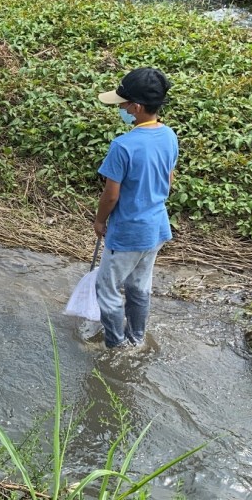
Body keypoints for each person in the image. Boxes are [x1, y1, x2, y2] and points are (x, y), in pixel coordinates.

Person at [93, 67, 179, 348]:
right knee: (139, 286)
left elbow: (111, 195)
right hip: (155, 228)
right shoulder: (169, 136)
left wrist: (99, 221)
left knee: (106, 288)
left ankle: (115, 346)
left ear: (137, 107)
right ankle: (137, 339)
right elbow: (169, 178)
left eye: (124, 105)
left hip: (128, 232)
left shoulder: (123, 146)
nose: (121, 109)